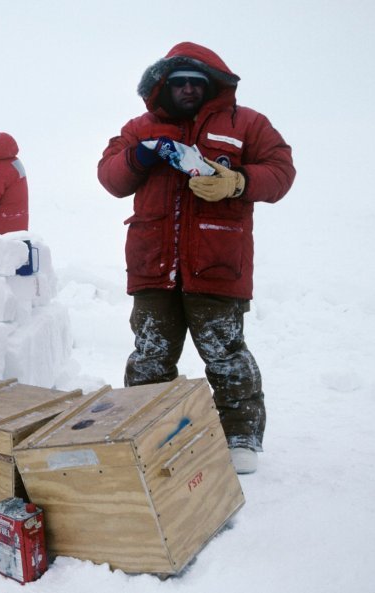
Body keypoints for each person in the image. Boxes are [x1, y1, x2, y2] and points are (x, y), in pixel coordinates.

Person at [97, 42, 296, 474]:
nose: (188, 89)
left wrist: (237, 182)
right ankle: (148, 433)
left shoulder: (248, 124)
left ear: (213, 87)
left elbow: (282, 171)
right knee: (149, 355)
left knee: (226, 355)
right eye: (179, 82)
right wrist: (140, 154)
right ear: (163, 86)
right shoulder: (139, 127)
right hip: (153, 265)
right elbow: (110, 176)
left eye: (197, 83)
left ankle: (240, 438)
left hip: (217, 265)